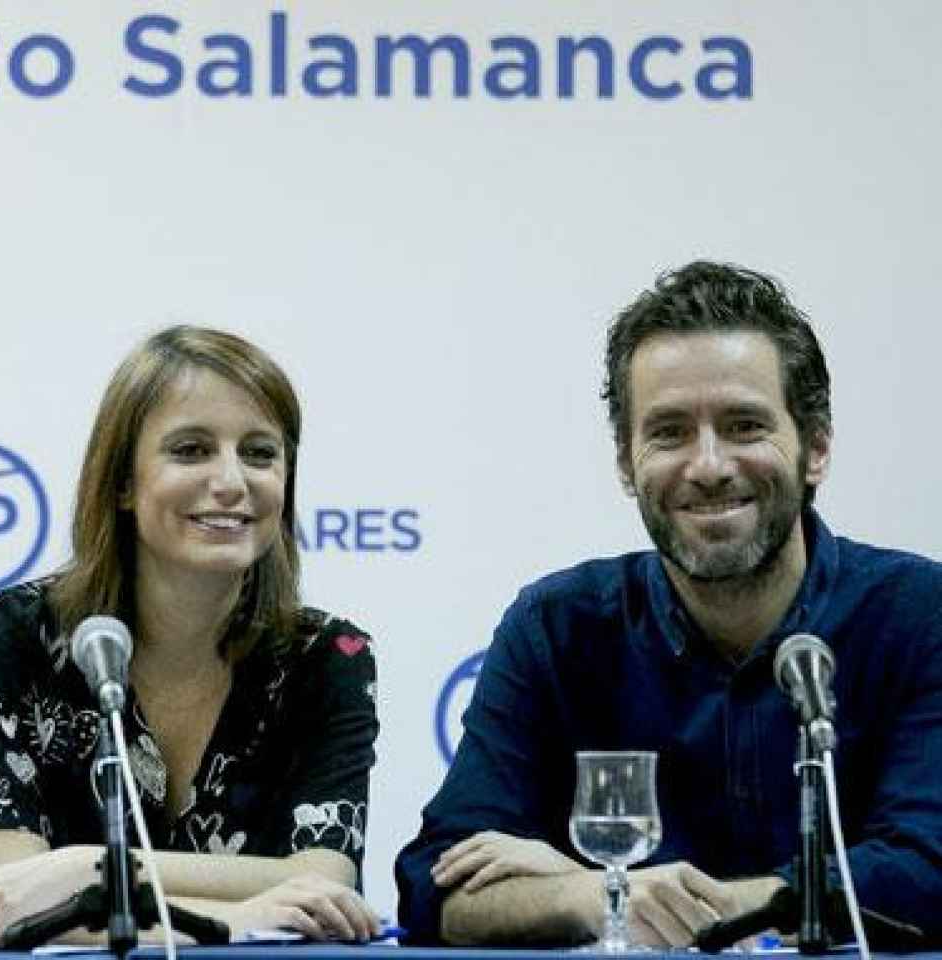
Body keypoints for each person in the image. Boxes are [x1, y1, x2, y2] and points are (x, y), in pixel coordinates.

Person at [394, 261, 942, 947]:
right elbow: (434, 886)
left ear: (816, 450)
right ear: (627, 463)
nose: (708, 465)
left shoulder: (920, 613)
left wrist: (650, 897)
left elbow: (927, 872)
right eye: (670, 432)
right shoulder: (558, 626)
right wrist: (597, 895)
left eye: (744, 425)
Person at [0, 325, 381, 948]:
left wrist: (84, 871)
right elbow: (8, 899)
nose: (232, 481)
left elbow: (323, 884)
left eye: (259, 453)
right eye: (192, 450)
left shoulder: (329, 657)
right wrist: (240, 918)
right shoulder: (12, 636)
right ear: (122, 482)